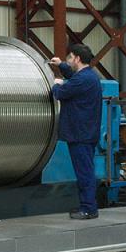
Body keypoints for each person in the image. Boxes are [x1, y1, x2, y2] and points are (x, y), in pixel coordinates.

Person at [49, 44, 103, 219]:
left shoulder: (82, 80)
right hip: (85, 133)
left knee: (84, 173)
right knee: (85, 171)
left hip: (81, 135)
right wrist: (61, 65)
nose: (68, 61)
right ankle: (87, 206)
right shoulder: (88, 76)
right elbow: (73, 76)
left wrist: (56, 84)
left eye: (70, 58)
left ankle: (88, 209)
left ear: (78, 59)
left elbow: (60, 93)